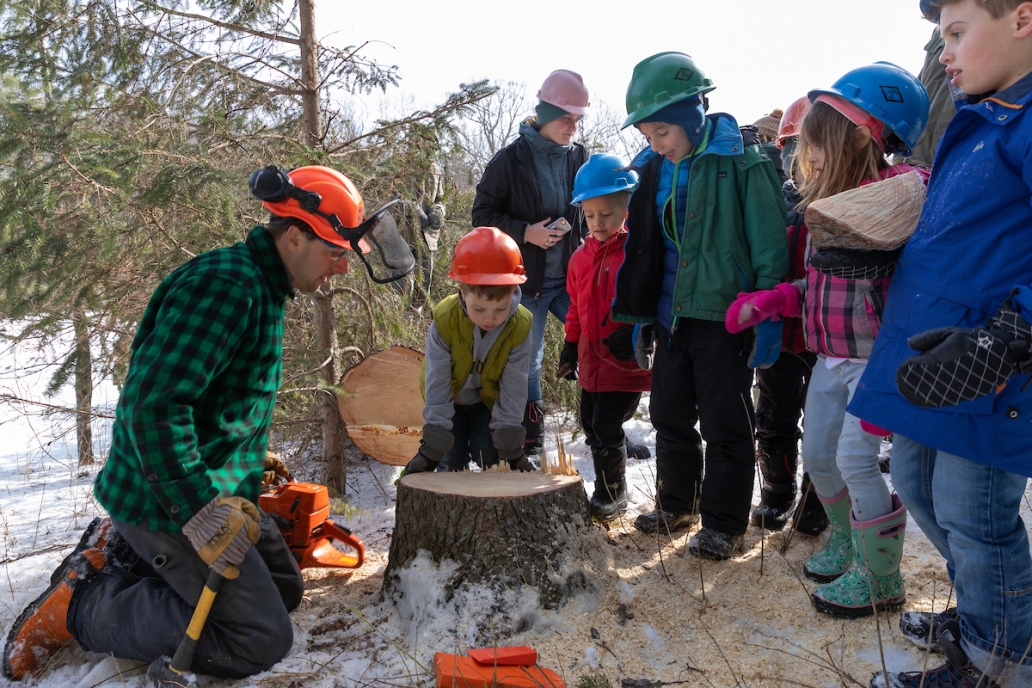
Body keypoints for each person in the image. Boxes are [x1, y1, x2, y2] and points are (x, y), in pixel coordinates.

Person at [3, 164, 411, 681]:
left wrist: (242, 450)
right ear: (293, 236)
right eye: (335, 252)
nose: (343, 268)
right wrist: (198, 512)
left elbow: (209, 394)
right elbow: (152, 406)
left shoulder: (263, 287)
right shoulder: (227, 287)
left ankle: (130, 565)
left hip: (214, 484)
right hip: (165, 497)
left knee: (283, 592)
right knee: (257, 637)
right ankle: (84, 604)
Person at [850, 1, 1032, 685]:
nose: (945, 53)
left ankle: (1001, 661)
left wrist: (1016, 334)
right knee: (918, 485)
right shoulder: (983, 118)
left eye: (957, 34)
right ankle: (993, 617)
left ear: (1022, 18)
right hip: (936, 352)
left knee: (974, 513)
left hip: (991, 364)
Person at [727, 63, 930, 618]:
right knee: (818, 455)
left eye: (817, 145)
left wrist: (894, 377)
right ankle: (847, 539)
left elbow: (911, 289)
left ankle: (881, 575)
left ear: (863, 135)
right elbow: (822, 281)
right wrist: (780, 299)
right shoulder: (831, 204)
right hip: (829, 355)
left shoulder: (896, 198)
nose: (806, 158)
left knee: (857, 461)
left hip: (873, 362)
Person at [611, 51, 788, 560]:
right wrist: (644, 316)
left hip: (724, 318)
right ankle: (677, 503)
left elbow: (769, 242)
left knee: (725, 424)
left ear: (693, 113)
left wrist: (766, 313)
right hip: (672, 317)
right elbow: (643, 247)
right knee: (668, 416)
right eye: (647, 136)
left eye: (661, 132)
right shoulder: (649, 170)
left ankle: (724, 523)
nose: (655, 144)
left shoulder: (743, 161)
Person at [471, 69, 590, 459]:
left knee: (597, 342)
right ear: (543, 113)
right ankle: (531, 437)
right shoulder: (510, 160)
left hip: (572, 279)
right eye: (564, 118)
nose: (572, 127)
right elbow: (482, 215)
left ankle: (604, 431)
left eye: (577, 119)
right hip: (530, 283)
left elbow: (590, 210)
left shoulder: (579, 157)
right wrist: (527, 232)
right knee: (530, 362)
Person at [748, 96, 828, 536]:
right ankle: (777, 492)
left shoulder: (840, 198)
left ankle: (818, 500)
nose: (801, 159)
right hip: (779, 330)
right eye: (790, 148)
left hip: (823, 331)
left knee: (822, 421)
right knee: (773, 414)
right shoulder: (771, 199)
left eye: (807, 146)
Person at [557, 154, 652, 522]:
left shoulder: (635, 252)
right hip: (592, 359)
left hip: (625, 362)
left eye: (606, 214)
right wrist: (570, 345)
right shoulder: (580, 258)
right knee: (590, 422)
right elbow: (576, 309)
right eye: (590, 214)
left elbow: (649, 302)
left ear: (626, 208)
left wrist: (634, 334)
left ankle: (612, 492)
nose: (597, 222)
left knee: (607, 424)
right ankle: (609, 484)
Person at [404, 226, 536, 475]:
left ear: (513, 292)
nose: (490, 318)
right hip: (448, 398)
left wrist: (510, 441)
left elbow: (515, 385)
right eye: (480, 309)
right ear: (462, 292)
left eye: (501, 309)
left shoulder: (520, 326)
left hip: (486, 400)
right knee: (450, 459)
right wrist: (433, 443)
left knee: (489, 454)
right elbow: (437, 381)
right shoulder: (445, 320)